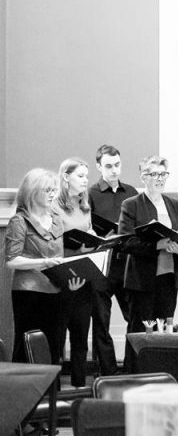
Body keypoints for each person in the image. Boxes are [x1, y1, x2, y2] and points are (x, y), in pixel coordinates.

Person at [5, 169, 84, 365]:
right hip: (29, 293)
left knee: (53, 347)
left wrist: (69, 281)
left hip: (56, 291)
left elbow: (60, 258)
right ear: (32, 192)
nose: (52, 194)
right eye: (47, 190)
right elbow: (11, 260)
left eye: (54, 190)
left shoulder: (56, 219)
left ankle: (52, 394)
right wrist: (43, 263)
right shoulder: (20, 221)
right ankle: (25, 392)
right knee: (28, 346)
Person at [118, 157, 178, 334]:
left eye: (163, 174)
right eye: (154, 174)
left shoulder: (176, 206)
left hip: (169, 278)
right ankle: (134, 363)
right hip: (142, 279)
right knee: (140, 330)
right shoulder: (131, 204)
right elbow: (126, 242)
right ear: (143, 177)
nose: (160, 178)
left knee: (165, 330)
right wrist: (157, 245)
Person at [88, 144, 137, 374]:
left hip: (127, 262)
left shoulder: (131, 191)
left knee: (134, 318)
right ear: (99, 166)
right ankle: (107, 371)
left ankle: (131, 366)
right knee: (101, 321)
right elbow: (87, 228)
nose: (114, 170)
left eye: (117, 165)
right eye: (108, 166)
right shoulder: (91, 193)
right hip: (103, 262)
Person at [52, 158, 100, 387]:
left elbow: (87, 232)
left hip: (84, 275)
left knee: (81, 338)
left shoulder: (85, 206)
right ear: (65, 177)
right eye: (80, 176)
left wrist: (93, 241)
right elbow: (50, 242)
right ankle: (55, 391)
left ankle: (80, 388)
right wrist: (76, 246)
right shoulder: (53, 206)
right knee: (58, 338)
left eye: (86, 176)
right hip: (62, 277)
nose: (85, 181)